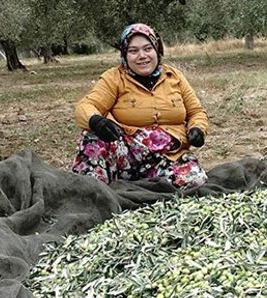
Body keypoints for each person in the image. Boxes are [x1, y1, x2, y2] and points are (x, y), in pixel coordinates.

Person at [72, 23, 209, 189]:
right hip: (126, 156)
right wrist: (96, 121)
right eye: (133, 51)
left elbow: (196, 112)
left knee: (196, 180)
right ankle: (96, 191)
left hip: (168, 156)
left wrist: (198, 129)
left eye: (147, 49)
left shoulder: (174, 76)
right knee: (91, 136)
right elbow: (86, 105)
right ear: (125, 55)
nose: (142, 56)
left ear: (157, 50)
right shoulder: (114, 77)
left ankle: (135, 187)